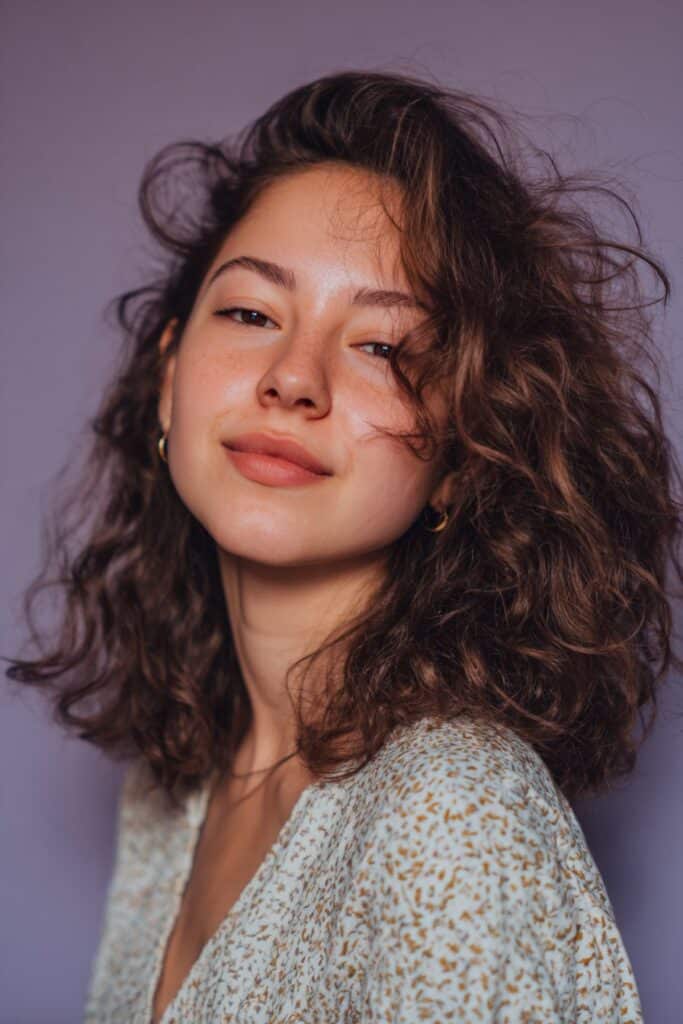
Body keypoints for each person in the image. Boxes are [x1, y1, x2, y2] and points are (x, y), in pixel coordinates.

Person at [6, 68, 680, 1023]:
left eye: (382, 346)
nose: (292, 379)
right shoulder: (173, 792)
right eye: (250, 314)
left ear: (464, 451)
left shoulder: (452, 808)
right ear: (168, 378)